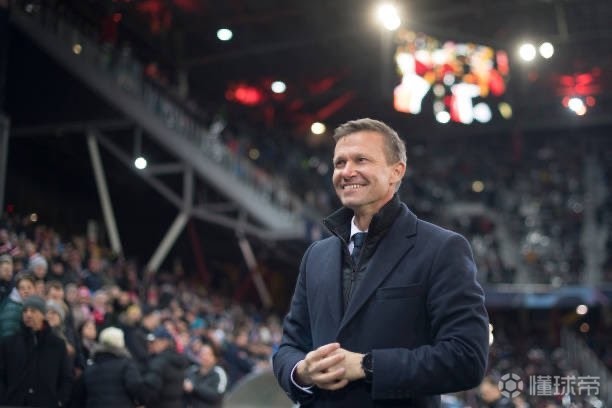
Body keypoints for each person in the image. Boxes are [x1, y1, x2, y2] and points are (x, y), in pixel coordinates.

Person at [273, 118, 489, 407]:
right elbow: (289, 347)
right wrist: (302, 371)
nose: (347, 171)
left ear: (396, 171)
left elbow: (467, 358)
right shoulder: (316, 255)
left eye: (361, 160)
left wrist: (368, 366)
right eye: (339, 163)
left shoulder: (442, 248)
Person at [0, 295, 73, 407]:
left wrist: (59, 401)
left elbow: (66, 377)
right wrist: (4, 399)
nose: (28, 314)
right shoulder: (9, 343)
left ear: (43, 315)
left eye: (33, 311)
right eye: (25, 311)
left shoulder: (57, 344)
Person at [77, 326, 147, 408]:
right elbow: (136, 388)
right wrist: (142, 402)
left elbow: (79, 396)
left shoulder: (90, 369)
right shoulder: (126, 366)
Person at [142, 326, 189, 408]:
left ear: (164, 342)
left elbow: (150, 388)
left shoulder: (159, 362)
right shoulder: (177, 359)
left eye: (155, 342)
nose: (151, 345)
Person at [183, 340, 228, 408]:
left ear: (215, 358)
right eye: (202, 353)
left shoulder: (219, 373)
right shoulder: (191, 370)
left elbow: (217, 396)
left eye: (208, 354)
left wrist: (195, 387)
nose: (204, 357)